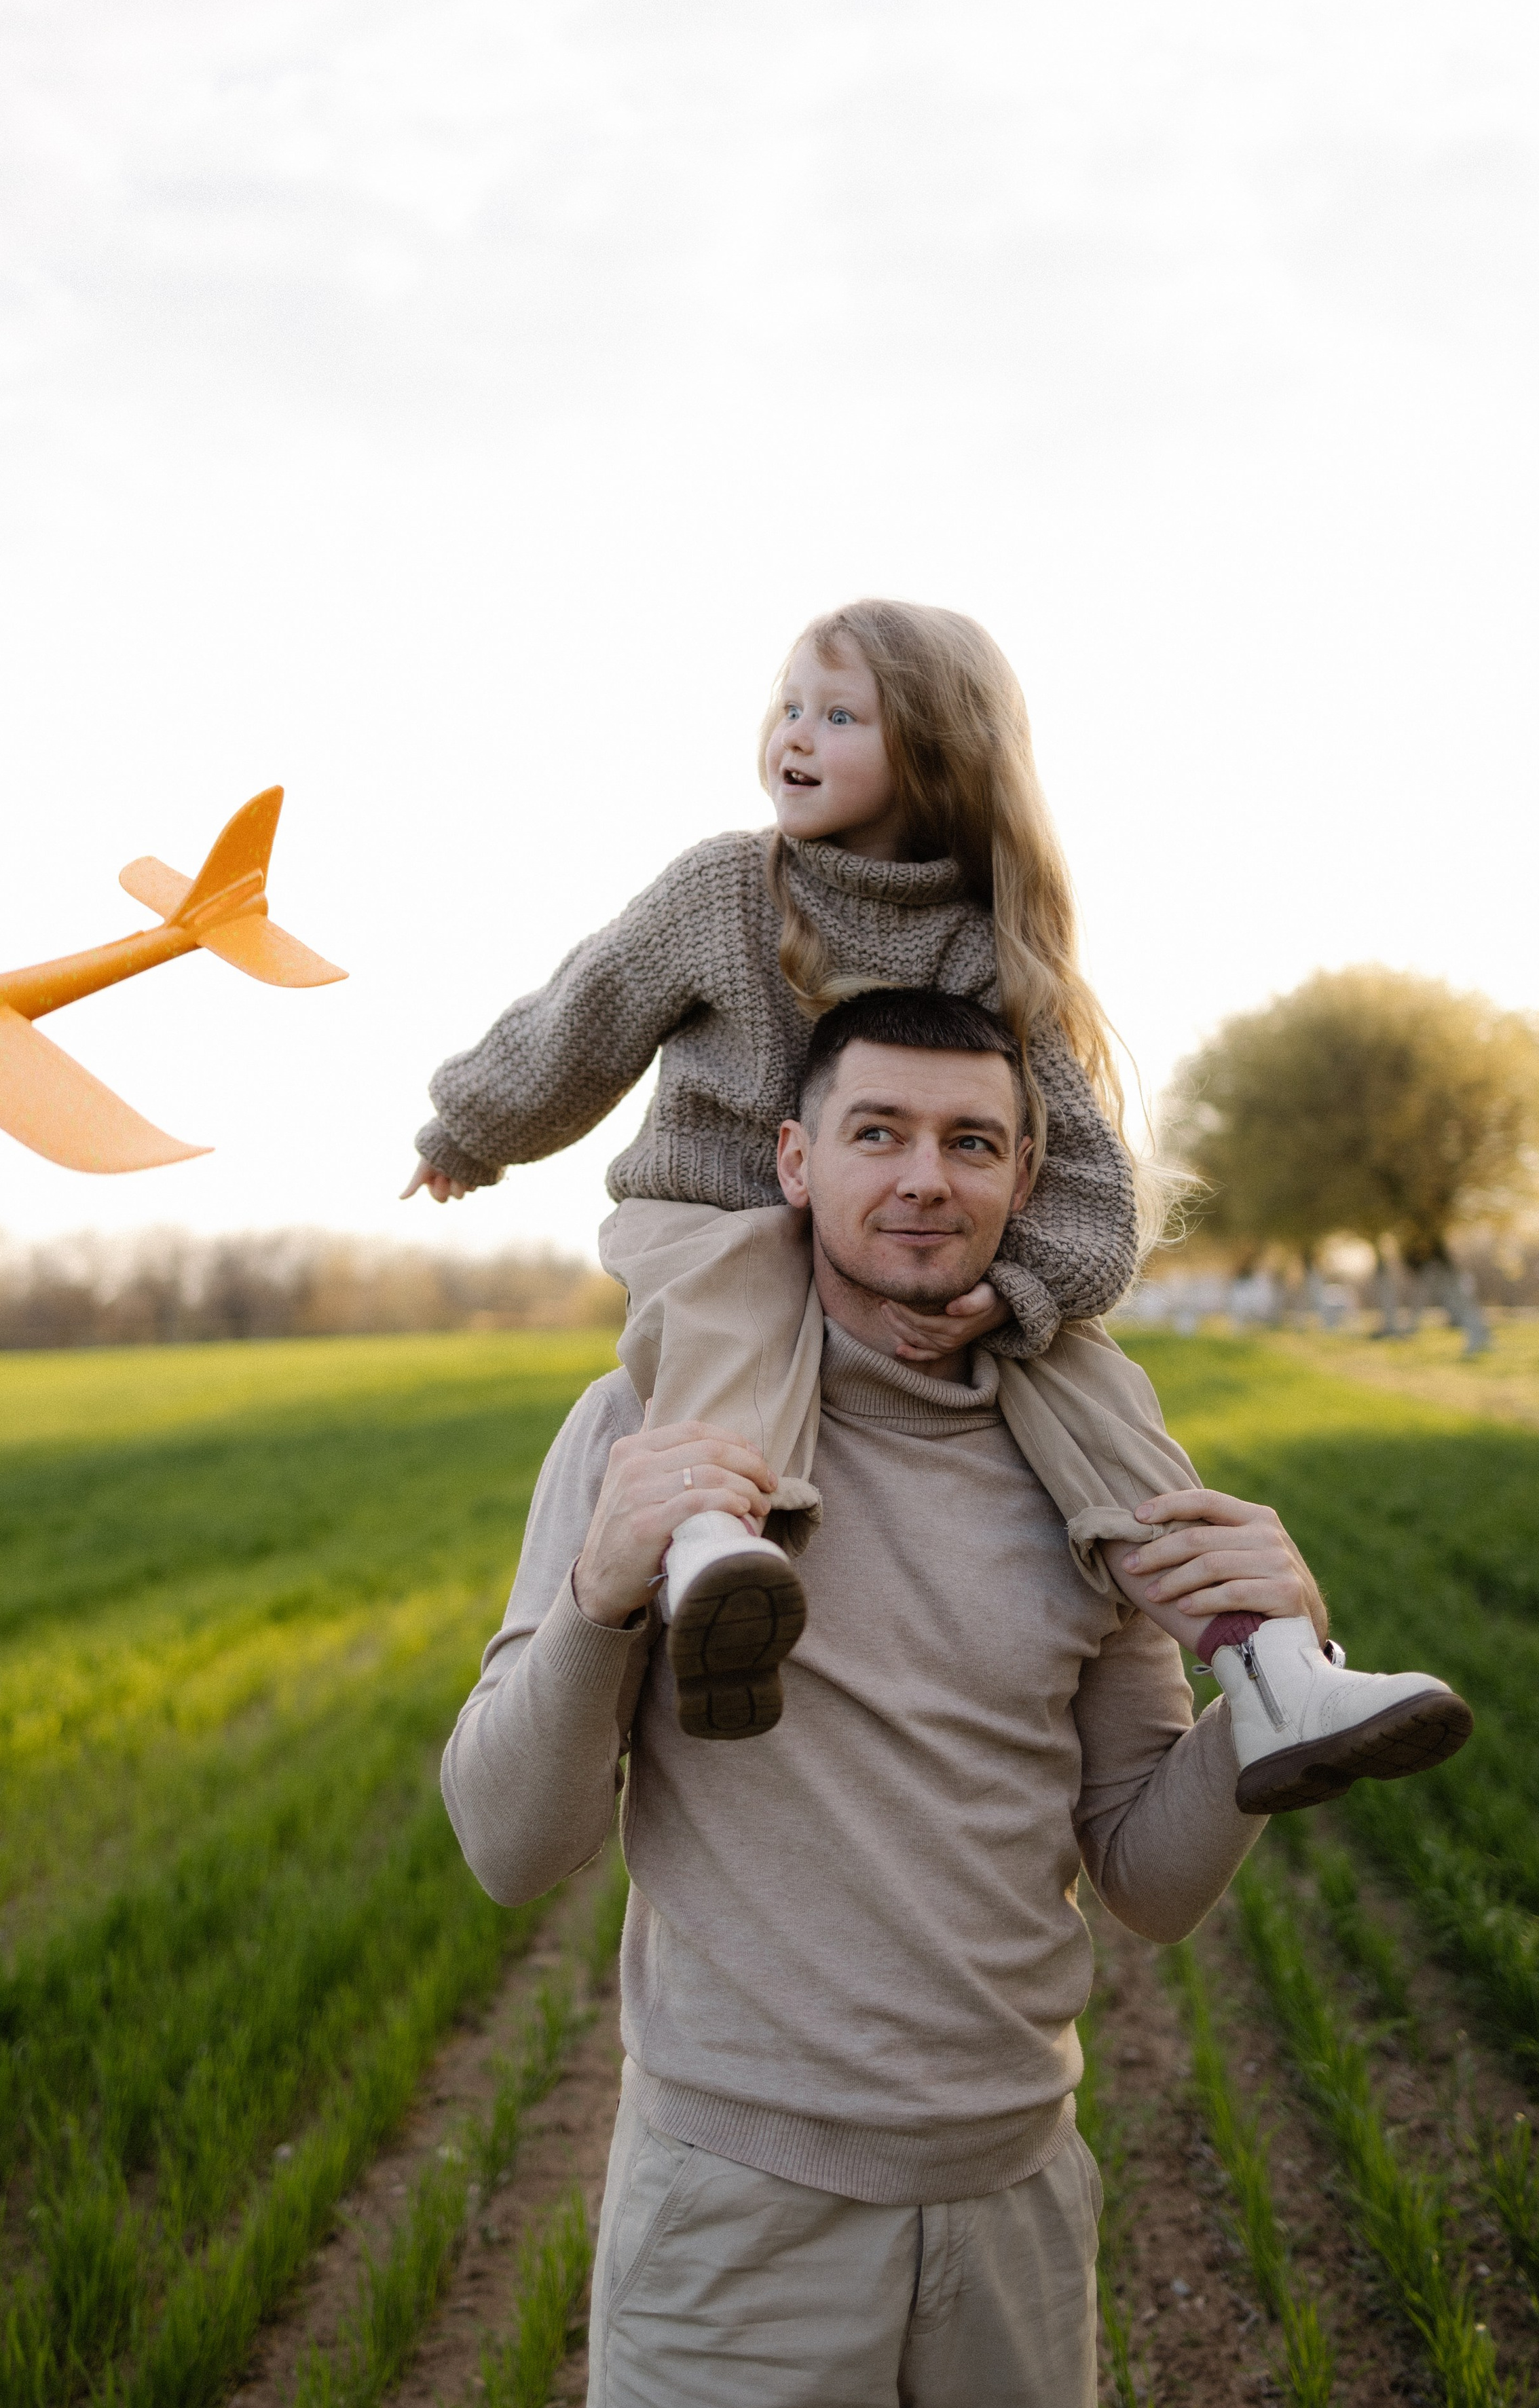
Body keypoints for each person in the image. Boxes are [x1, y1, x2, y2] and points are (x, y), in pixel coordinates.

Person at [441, 996, 1372, 2408]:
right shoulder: (647, 1430)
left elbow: (1147, 1875)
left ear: (1023, 1180)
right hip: (735, 2219)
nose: (924, 1178)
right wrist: (598, 1604)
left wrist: (1275, 1675)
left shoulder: (1089, 1464)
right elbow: (505, 1845)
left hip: (1017, 2205)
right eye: (878, 1133)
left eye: (970, 1143)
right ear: (797, 1160)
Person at [412, 600, 1470, 1809]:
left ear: (933, 751)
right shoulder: (726, 888)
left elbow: (1085, 1183)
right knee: (736, 1305)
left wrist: (1013, 1295)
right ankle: (717, 1559)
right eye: (788, 707)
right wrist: (472, 1130)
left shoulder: (980, 945)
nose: (793, 735)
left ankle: (1277, 1665)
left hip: (908, 1269)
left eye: (838, 714)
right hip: (711, 1213)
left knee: (1098, 1387)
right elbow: (583, 1015)